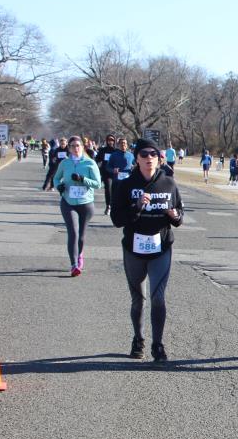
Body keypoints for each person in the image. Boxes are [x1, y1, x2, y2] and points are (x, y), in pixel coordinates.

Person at [110, 138, 184, 364]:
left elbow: (179, 215)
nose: (149, 158)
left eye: (153, 154)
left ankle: (158, 345)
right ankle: (138, 340)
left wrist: (175, 216)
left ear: (160, 158)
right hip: (134, 249)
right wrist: (137, 206)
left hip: (161, 248)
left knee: (158, 298)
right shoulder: (125, 185)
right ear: (136, 158)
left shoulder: (169, 183)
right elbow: (117, 219)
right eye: (144, 154)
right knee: (138, 300)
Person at [53, 136, 102, 276]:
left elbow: (98, 184)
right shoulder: (65, 163)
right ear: (69, 148)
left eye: (78, 145)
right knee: (73, 233)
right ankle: (74, 265)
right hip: (68, 202)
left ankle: (80, 254)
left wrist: (83, 179)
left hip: (86, 203)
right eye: (73, 146)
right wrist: (59, 186)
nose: (76, 148)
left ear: (82, 147)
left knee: (81, 235)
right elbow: (56, 178)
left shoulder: (90, 163)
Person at [95, 135, 118, 215]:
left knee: (115, 189)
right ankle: (108, 205)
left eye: (112, 140)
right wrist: (99, 163)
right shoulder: (103, 150)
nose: (110, 141)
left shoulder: (116, 151)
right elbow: (97, 159)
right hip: (106, 172)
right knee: (108, 188)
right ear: (107, 141)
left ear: (114, 141)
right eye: (109, 140)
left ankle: (115, 205)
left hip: (115, 173)